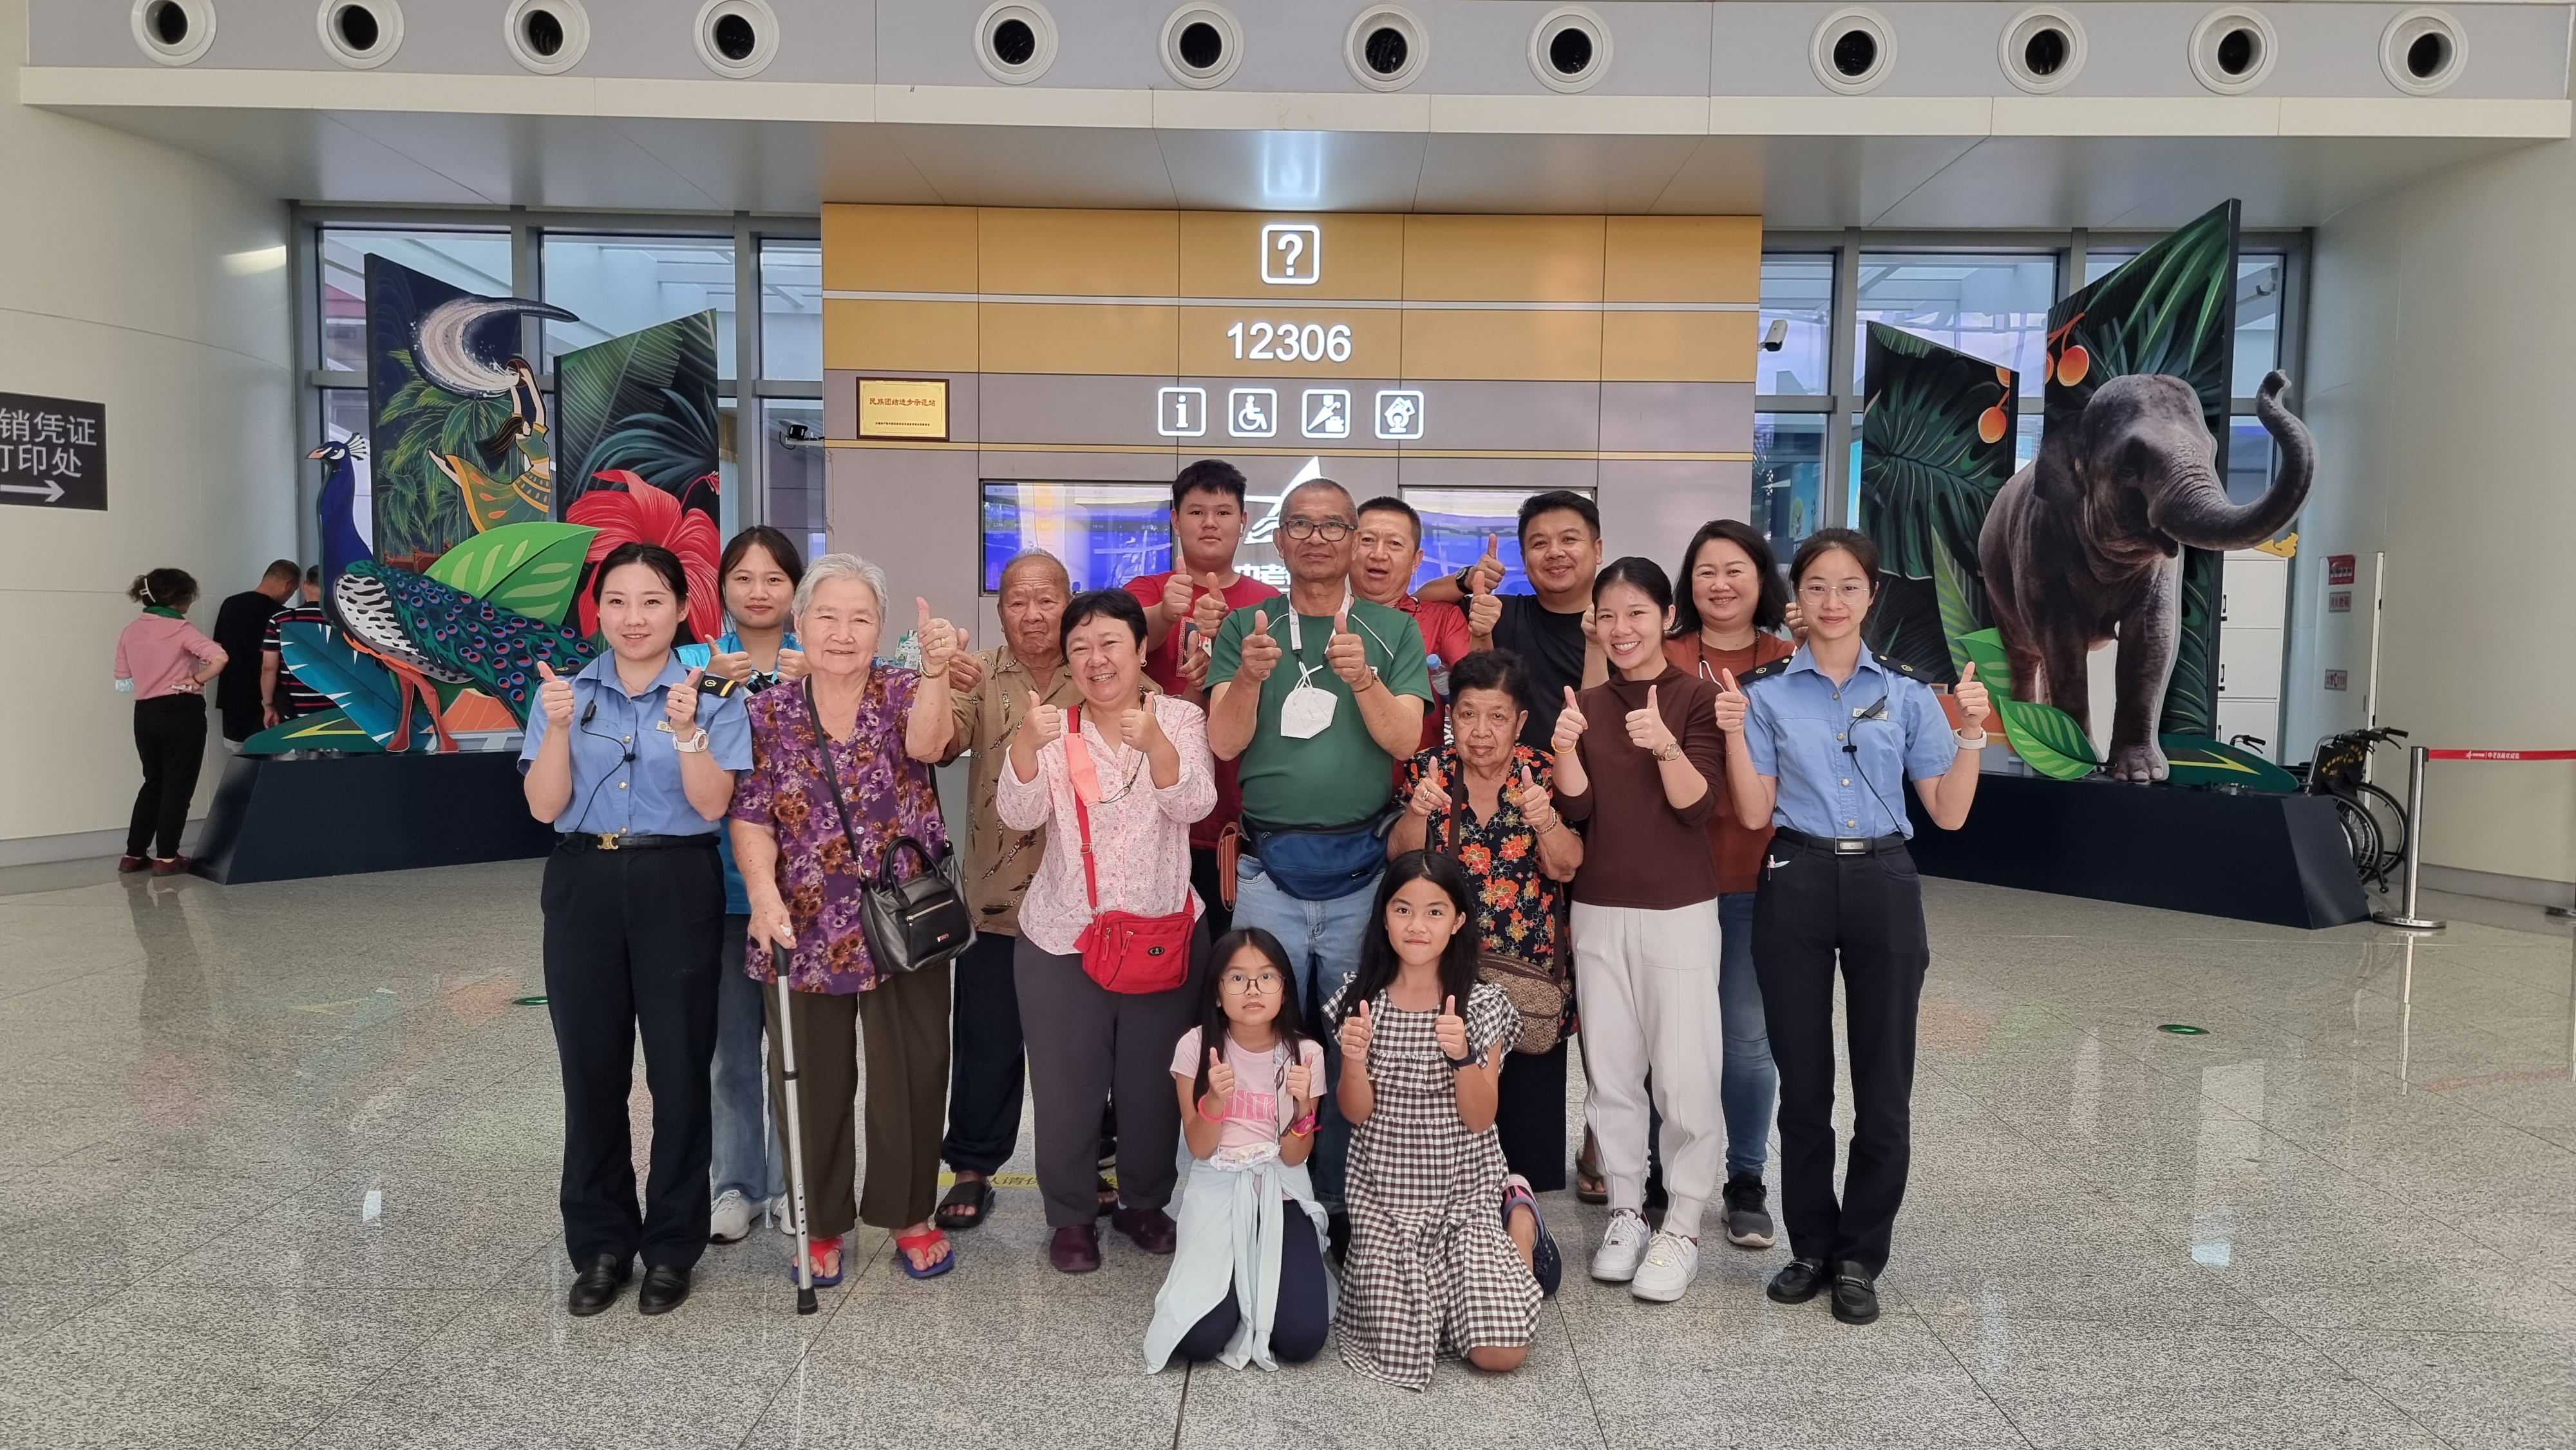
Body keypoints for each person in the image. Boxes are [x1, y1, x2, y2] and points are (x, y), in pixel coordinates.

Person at [1715, 527, 1989, 1326]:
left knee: (1883, 1080)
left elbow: (1949, 808)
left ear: (1871, 596)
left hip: (1884, 878)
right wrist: (1732, 731)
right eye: (1815, 587)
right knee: (1802, 1080)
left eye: (1848, 587)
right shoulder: (1764, 693)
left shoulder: (1907, 692)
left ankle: (1860, 1254)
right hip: (1795, 874)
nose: (1831, 602)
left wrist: (1970, 731)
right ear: (1794, 599)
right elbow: (1754, 810)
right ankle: (1810, 1244)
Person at [520, 541, 753, 1318]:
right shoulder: (563, 692)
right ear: (598, 611)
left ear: (682, 609)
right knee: (590, 1073)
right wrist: (556, 731)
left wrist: (688, 730)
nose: (633, 617)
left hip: (676, 879)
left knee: (680, 1073)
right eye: (616, 600)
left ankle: (672, 1245)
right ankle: (600, 1245)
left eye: (651, 600)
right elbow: (544, 808)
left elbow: (715, 804)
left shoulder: (710, 692)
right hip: (582, 880)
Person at [1207, 476, 1432, 1217]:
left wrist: (1363, 678)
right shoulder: (1249, 626)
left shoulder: (1391, 629)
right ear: (1279, 539)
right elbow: (1223, 739)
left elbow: (1404, 736)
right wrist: (1245, 676)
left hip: (1361, 870)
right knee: (1259, 1031)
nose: (1315, 537)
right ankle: (1260, 1185)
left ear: (1353, 537)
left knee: (1348, 1042)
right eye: (1299, 524)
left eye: (1333, 526)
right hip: (1267, 865)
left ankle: (1334, 1198)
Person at [734, 553, 958, 1285]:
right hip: (802, 919)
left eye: (860, 617)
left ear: (880, 629)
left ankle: (910, 1211)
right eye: (826, 615)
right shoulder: (767, 710)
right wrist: (763, 895)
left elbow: (929, 746)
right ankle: (819, 1217)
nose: (842, 631)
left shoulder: (902, 691)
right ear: (800, 622)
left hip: (904, 916)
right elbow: (751, 815)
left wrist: (930, 671)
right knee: (810, 1077)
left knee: (914, 1072)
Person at [978, 588, 1217, 1272]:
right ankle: (1071, 1215)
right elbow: (1019, 815)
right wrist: (1025, 743)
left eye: (1110, 642)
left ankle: (1143, 1201)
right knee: (1067, 1086)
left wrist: (1160, 749)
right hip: (1065, 936)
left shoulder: (1178, 715)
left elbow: (1195, 803)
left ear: (1143, 650)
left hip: (1163, 930)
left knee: (1150, 1082)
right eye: (1079, 646)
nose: (1095, 658)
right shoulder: (1054, 727)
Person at [1554, 556, 1728, 1303]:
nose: (1620, 628)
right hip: (1597, 905)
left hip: (1679, 910)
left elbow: (1697, 806)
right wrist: (1563, 748)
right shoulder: (1586, 702)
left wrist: (1661, 743)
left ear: (1665, 615)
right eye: (1607, 614)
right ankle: (1627, 1209)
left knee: (1686, 1073)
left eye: (1636, 612)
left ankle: (1683, 1220)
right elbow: (1579, 811)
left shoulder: (1695, 697)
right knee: (1612, 1071)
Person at [1326, 852, 1555, 1390]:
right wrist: (1354, 1060)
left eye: (1434, 912)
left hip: (1464, 1197)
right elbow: (1354, 1112)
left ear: (1457, 923)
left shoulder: (1482, 1005)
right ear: (1384, 917)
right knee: (1402, 1345)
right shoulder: (1360, 998)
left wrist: (1462, 1059)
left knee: (1499, 1353)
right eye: (1403, 910)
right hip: (1386, 1201)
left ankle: (1517, 1222)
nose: (1417, 926)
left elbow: (1480, 1119)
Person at [913, 549, 1083, 1234]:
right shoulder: (975, 672)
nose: (1033, 613)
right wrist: (934, 674)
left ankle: (1093, 1159)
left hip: (1084, 898)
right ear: (1000, 607)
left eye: (1047, 599)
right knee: (988, 1037)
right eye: (1017, 599)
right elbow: (938, 741)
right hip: (999, 893)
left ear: (1069, 601)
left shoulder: (1098, 664)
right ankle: (974, 1166)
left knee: (1084, 1042)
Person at [1385, 650, 1582, 1191]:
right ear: (1451, 716)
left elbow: (1566, 865)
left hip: (1530, 977)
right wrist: (1416, 813)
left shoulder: (1544, 772)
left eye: (1497, 716)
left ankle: (1522, 1237)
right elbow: (1400, 863)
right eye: (1467, 714)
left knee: (1528, 1142)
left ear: (1519, 721)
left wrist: (1544, 819)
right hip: (1448, 982)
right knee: (1450, 1132)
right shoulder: (1429, 771)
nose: (1480, 731)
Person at [1663, 520, 1798, 1250]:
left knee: (1746, 1039)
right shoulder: (1665, 654)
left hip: (1757, 873)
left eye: (1735, 569)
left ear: (1759, 579)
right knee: (1670, 1037)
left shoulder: (1788, 658)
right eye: (1706, 570)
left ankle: (1745, 1177)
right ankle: (1666, 1172)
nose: (1720, 583)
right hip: (1670, 879)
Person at [676, 526, 807, 1247]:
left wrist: (807, 683)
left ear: (795, 589)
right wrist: (709, 695)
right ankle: (736, 1184)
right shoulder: (691, 665)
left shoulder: (818, 661)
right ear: (722, 587)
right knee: (730, 1050)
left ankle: (797, 1185)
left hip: (807, 896)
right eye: (744, 578)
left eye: (774, 579)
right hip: (720, 891)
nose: (759, 592)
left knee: (800, 1051)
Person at [1144, 928, 1332, 1371]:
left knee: (1302, 1339)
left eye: (1268, 977)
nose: (1253, 990)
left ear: (1285, 990)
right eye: (1237, 979)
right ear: (1216, 993)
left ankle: (1258, 1287)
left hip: (1281, 1195)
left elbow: (1294, 1157)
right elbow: (1201, 1147)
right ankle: (1229, 1289)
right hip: (1218, 1194)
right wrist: (1213, 1103)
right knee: (1199, 1336)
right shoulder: (1196, 1048)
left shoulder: (1306, 1053)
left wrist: (1303, 1105)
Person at [1124, 459, 1282, 939]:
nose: (1209, 523)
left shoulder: (1270, 600)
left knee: (1238, 955)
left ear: (1243, 522)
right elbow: (1126, 641)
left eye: (1222, 511)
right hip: (1155, 811)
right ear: (1175, 519)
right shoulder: (1146, 591)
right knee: (1166, 953)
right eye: (1196, 512)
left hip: (1242, 811)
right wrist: (1167, 615)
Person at [1419, 490, 1605, 750]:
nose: (1554, 552)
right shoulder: (1498, 612)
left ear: (1597, 550)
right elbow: (1420, 604)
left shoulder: (1619, 626)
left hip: (1592, 782)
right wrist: (1467, 579)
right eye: (1539, 543)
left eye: (1569, 539)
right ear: (1524, 560)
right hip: (1514, 783)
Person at [114, 569, 225, 876]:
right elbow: (219, 657)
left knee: (154, 782)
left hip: (145, 713)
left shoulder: (130, 630)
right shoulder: (181, 630)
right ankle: (166, 857)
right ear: (180, 598)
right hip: (181, 711)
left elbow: (123, 680)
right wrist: (195, 679)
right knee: (178, 784)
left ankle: (133, 854)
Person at [1350, 496, 1474, 758]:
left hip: (1418, 783)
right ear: (1348, 547)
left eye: (1394, 543)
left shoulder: (1442, 617)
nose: (1378, 554)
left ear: (1416, 560)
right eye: (1367, 540)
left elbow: (1478, 689)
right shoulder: (1321, 616)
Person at [212, 560, 298, 748]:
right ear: (287, 585)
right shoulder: (282, 616)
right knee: (273, 756)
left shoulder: (230, 605)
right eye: (292, 592)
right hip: (270, 698)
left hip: (232, 694)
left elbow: (216, 647)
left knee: (238, 756)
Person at [258, 567, 331, 730]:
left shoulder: (281, 620)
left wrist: (269, 705)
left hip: (294, 706)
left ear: (305, 585)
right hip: (338, 707)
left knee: (299, 751)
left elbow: (269, 668)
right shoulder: (345, 624)